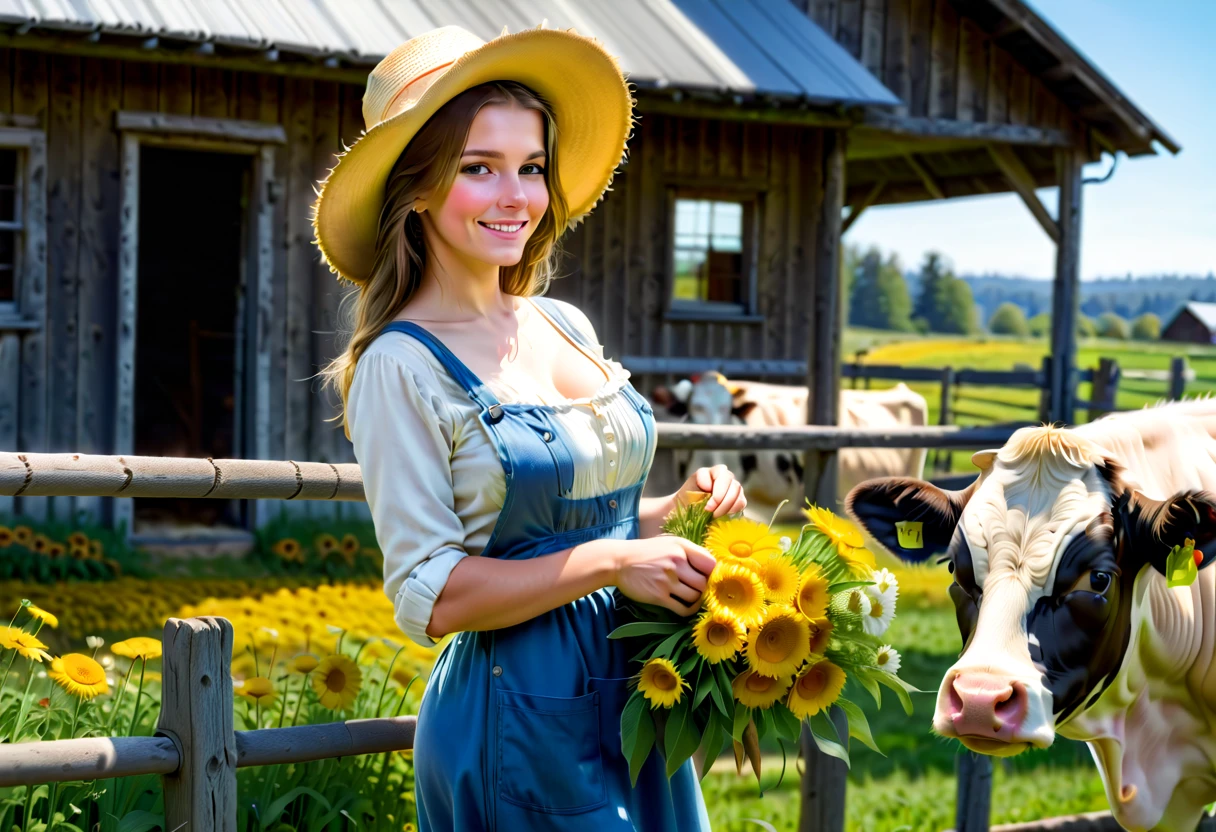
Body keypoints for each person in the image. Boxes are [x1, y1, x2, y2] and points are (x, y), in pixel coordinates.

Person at [314, 24, 747, 832]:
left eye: (532, 167)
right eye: (479, 168)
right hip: (517, 714)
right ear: (417, 189)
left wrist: (670, 519)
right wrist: (618, 559)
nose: (516, 195)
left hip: (637, 692)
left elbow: (574, 527)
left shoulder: (564, 323)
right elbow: (433, 595)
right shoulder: (400, 365)